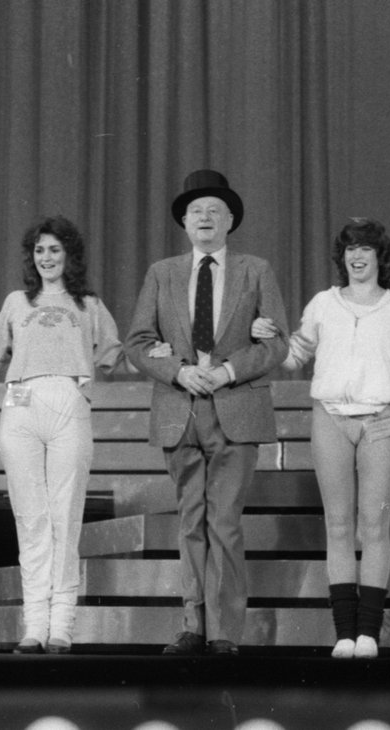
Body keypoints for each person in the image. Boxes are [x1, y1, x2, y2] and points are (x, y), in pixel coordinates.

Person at [250, 219, 390, 659]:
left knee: (373, 526)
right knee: (337, 525)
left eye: (366, 249)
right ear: (343, 258)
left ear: (379, 256)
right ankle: (345, 634)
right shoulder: (323, 304)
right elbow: (294, 356)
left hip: (380, 421)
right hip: (330, 418)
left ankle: (368, 634)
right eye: (350, 249)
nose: (357, 256)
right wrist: (267, 338)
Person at [125, 169, 289, 656]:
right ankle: (192, 624)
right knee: (190, 521)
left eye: (215, 210)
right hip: (180, 410)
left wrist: (228, 371)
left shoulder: (255, 270)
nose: (205, 217)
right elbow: (137, 342)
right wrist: (178, 372)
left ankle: (224, 632)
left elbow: (278, 342)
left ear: (230, 220)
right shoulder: (163, 273)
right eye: (196, 210)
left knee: (226, 522)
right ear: (184, 221)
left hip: (235, 410)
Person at [0, 216, 122, 654]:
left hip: (69, 401)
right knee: (31, 518)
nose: (46, 258)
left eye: (54, 250)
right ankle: (33, 624)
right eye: (39, 250)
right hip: (20, 407)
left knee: (65, 517)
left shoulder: (89, 303)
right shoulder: (16, 302)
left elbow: (114, 356)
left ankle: (61, 625)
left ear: (69, 255)